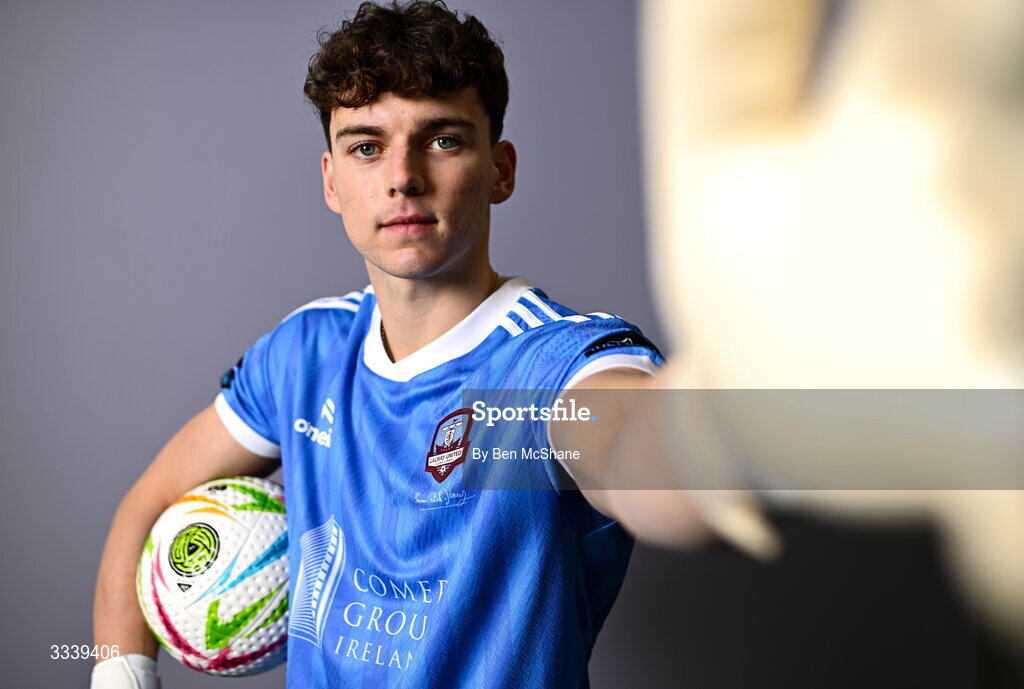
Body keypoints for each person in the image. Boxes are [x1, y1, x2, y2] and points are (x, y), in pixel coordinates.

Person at [91, 2, 685, 687]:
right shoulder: (306, 352)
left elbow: (643, 457)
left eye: (442, 139)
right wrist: (120, 674)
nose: (402, 175)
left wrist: (712, 444)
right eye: (367, 146)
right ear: (331, 180)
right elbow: (152, 500)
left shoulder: (549, 364)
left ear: (500, 170)